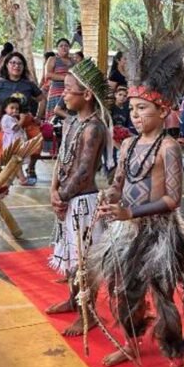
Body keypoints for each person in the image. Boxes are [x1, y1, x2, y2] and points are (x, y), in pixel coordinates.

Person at [89, 28, 184, 367]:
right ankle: (132, 339)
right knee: (123, 293)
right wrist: (108, 196)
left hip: (159, 233)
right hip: (128, 231)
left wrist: (130, 212)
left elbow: (173, 199)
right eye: (133, 109)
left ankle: (176, 363)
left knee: (163, 297)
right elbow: (118, 182)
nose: (136, 115)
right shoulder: (127, 146)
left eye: (143, 109)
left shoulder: (168, 148)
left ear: (163, 110)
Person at [45, 58, 110, 336]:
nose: (63, 94)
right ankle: (73, 301)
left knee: (84, 261)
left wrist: (62, 196)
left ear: (86, 95)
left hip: (83, 202)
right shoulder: (71, 122)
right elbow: (62, 160)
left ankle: (90, 312)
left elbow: (84, 171)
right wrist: (53, 190)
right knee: (71, 255)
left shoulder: (94, 128)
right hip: (66, 199)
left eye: (69, 89)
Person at [0, 52, 46, 180]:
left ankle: (31, 167)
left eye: (20, 63)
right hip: (3, 121)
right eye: (13, 63)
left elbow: (42, 99)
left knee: (37, 139)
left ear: (24, 67)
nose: (16, 66)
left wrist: (38, 117)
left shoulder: (28, 84)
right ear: (6, 65)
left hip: (25, 121)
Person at [0, 97, 29, 184]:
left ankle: (10, 178)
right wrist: (22, 119)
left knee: (15, 163)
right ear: (5, 109)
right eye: (12, 108)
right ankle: (22, 179)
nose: (15, 110)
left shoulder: (12, 118)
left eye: (17, 108)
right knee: (16, 162)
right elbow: (15, 128)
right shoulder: (7, 118)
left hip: (16, 143)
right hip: (13, 144)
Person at [45, 38, 74, 121]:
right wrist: (66, 78)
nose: (64, 47)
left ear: (69, 48)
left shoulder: (73, 61)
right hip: (56, 92)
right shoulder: (53, 59)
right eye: (61, 46)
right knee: (54, 120)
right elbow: (48, 75)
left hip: (70, 93)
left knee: (69, 117)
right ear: (57, 48)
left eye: (66, 46)